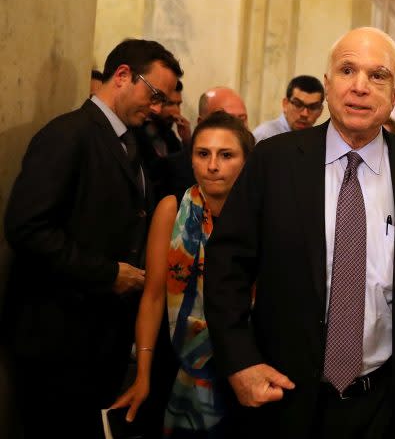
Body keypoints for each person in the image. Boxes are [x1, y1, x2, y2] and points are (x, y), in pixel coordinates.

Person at [204, 27, 395, 439]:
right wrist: (240, 361)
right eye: (347, 71)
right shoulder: (274, 162)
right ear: (328, 86)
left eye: (377, 75)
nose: (360, 87)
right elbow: (226, 268)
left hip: (385, 399)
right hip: (283, 393)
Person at [3, 38, 183, 439]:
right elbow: (26, 227)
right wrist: (107, 274)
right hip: (57, 338)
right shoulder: (68, 134)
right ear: (122, 76)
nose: (157, 108)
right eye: (153, 94)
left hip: (98, 339)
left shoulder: (129, 140)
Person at [112, 111, 254, 437]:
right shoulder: (172, 208)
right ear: (191, 159)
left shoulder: (263, 214)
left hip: (246, 363)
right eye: (203, 154)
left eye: (226, 155)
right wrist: (143, 373)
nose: (213, 165)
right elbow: (153, 295)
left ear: (246, 162)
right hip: (177, 361)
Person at [158, 86, 249, 199]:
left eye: (241, 119)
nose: (212, 166)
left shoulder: (259, 180)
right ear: (201, 123)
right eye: (222, 119)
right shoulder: (173, 173)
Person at [252, 75, 324, 142]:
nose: (304, 114)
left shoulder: (319, 140)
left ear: (320, 111)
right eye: (298, 104)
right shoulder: (266, 135)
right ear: (285, 104)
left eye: (313, 107)